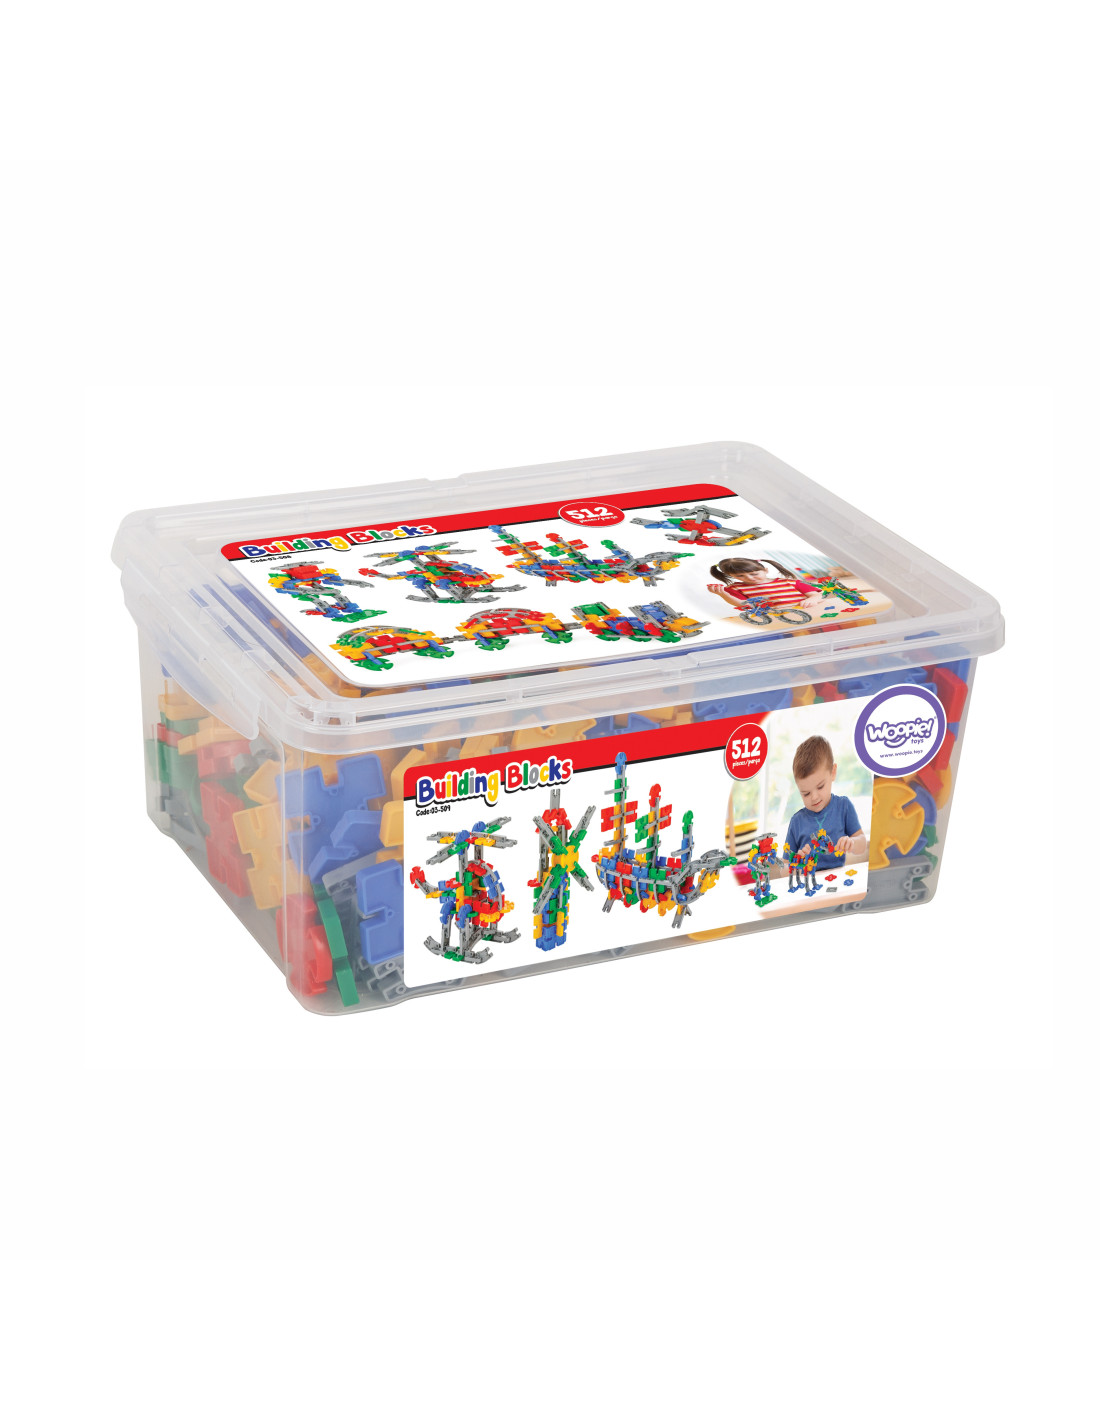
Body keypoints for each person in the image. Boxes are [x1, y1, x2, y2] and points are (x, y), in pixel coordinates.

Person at [783, 734, 867, 870]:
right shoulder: (796, 822)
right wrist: (796, 863)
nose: (814, 797)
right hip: (807, 880)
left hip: (837, 878)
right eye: (806, 793)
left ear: (833, 772)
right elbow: (783, 868)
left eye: (820, 787)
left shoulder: (843, 806)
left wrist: (852, 842)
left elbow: (862, 845)